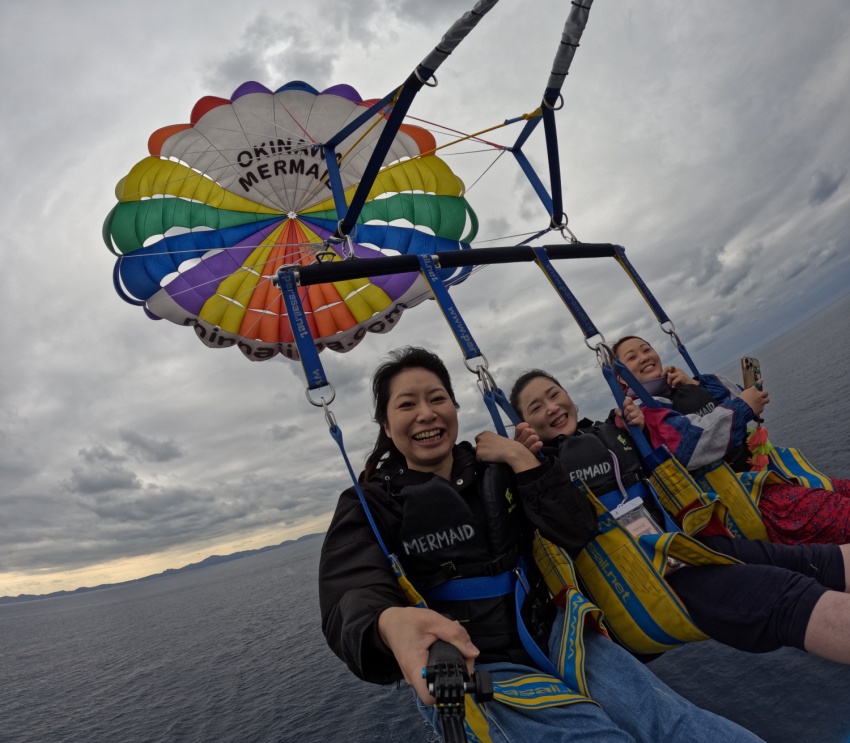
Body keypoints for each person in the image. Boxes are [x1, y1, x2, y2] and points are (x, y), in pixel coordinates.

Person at [320, 347, 765, 743]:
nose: (426, 413)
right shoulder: (371, 504)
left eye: (437, 398)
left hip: (556, 631)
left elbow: (576, 528)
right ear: (386, 423)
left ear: (455, 407)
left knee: (671, 721)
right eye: (407, 405)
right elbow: (350, 590)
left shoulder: (495, 466)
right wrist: (388, 623)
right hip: (475, 668)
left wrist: (526, 464)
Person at [509, 369, 850, 665]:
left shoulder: (611, 431)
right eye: (536, 407)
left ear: (570, 397)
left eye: (555, 395)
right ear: (524, 425)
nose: (551, 407)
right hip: (638, 585)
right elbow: (562, 528)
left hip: (680, 548)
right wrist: (525, 467)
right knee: (782, 597)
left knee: (807, 560)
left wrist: (640, 430)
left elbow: (676, 448)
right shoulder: (538, 471)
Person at [612, 335, 850, 545]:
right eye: (632, 357)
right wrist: (744, 406)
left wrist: (693, 384)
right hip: (741, 501)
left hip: (766, 478)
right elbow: (690, 446)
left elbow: (744, 396)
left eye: (646, 349)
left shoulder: (678, 389)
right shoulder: (640, 412)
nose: (643, 357)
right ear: (620, 378)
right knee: (842, 515)